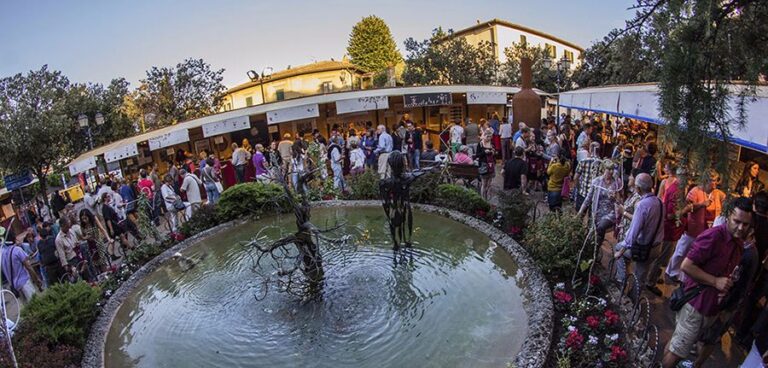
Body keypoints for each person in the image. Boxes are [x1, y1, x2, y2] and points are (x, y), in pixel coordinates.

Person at [661, 197, 753, 368]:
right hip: (695, 306)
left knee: (678, 347)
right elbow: (686, 266)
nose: (741, 228)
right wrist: (715, 281)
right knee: (677, 352)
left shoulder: (738, 244)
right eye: (737, 221)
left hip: (712, 309)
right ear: (727, 217)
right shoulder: (713, 236)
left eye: (745, 224)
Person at [613, 173, 664, 291]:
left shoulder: (642, 205)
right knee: (640, 276)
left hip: (643, 248)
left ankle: (621, 281)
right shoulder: (660, 202)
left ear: (638, 188)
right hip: (656, 247)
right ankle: (634, 301)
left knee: (618, 248)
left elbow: (634, 232)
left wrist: (621, 251)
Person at [666, 172, 719, 284]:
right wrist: (702, 204)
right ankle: (671, 272)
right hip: (691, 228)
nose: (714, 183)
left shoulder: (715, 194)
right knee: (681, 251)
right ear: (706, 181)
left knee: (690, 255)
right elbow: (687, 207)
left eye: (716, 180)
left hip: (704, 231)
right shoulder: (695, 191)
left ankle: (681, 276)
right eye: (712, 180)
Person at [579, 159, 622, 254]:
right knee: (592, 233)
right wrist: (580, 212)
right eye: (608, 169)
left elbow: (620, 202)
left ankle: (595, 250)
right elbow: (588, 198)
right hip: (597, 212)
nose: (611, 172)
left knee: (601, 227)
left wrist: (615, 197)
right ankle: (592, 252)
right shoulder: (597, 181)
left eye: (612, 169)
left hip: (610, 213)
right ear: (603, 169)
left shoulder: (617, 182)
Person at [1, 228, 41, 303]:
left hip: (15, 287)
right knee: (35, 304)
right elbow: (28, 267)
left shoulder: (2, 254)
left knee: (27, 310)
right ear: (14, 238)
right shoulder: (17, 250)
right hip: (25, 283)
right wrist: (36, 279)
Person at [573, 142, 602, 210]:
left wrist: (579, 188)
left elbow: (575, 178)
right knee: (590, 218)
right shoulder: (601, 163)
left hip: (583, 193)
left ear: (590, 149)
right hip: (594, 196)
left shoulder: (583, 161)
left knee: (579, 217)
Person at [475, 135, 496, 200]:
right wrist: (484, 152)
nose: (489, 138)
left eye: (490, 137)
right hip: (483, 165)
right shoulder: (480, 144)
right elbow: (477, 155)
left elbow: (494, 155)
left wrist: (493, 152)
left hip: (491, 165)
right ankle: (483, 199)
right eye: (487, 137)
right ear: (484, 136)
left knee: (489, 184)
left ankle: (488, 199)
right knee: (484, 184)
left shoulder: (492, 144)